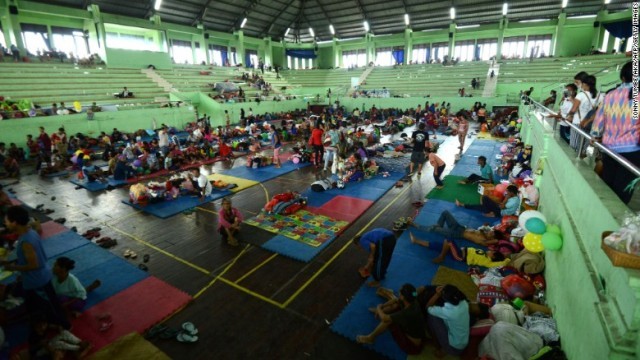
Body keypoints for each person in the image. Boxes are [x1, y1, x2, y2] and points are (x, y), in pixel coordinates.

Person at [1, 206, 70, 329]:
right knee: (38, 305)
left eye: (6, 221)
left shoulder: (26, 241)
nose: (4, 223)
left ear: (14, 223)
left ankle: (65, 326)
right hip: (35, 279)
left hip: (38, 280)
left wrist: (14, 268)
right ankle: (47, 322)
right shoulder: (29, 232)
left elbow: (34, 264)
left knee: (50, 305)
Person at [591, 61, 638, 204]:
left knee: (608, 186)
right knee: (623, 190)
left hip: (610, 149)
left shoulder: (610, 95)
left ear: (622, 77)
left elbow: (598, 122)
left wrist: (595, 136)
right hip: (633, 152)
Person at [356, 284, 427, 355]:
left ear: (403, 297)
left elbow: (385, 318)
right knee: (396, 305)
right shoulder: (412, 299)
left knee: (388, 321)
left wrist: (378, 308)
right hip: (416, 331)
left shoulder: (407, 313)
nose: (398, 292)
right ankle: (381, 310)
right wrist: (383, 306)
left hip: (412, 344)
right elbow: (396, 300)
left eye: (400, 292)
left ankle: (370, 338)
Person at [410, 210, 499, 246]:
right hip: (460, 227)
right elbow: (487, 227)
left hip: (457, 234)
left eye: (491, 233)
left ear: (492, 238)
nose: (490, 232)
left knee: (433, 229)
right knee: (445, 213)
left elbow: (496, 241)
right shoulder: (483, 232)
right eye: (491, 231)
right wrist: (488, 228)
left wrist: (496, 237)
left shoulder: (484, 241)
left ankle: (415, 225)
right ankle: (439, 226)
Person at [426, 285, 470, 357]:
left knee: (432, 316)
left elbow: (428, 307)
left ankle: (437, 345)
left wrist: (437, 294)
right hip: (463, 342)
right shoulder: (464, 302)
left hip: (454, 348)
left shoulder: (450, 312)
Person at [456, 184, 520, 217]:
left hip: (500, 212)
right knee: (480, 207)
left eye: (508, 192)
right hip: (501, 208)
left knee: (485, 198)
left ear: (512, 192)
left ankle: (493, 213)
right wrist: (505, 198)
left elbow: (501, 207)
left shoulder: (513, 201)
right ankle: (461, 204)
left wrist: (506, 198)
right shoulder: (514, 197)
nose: (506, 193)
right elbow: (502, 204)